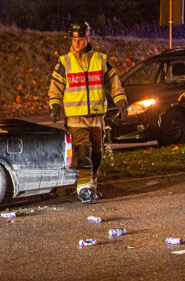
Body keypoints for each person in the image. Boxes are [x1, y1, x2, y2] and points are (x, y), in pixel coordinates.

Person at [48, 21, 128, 203]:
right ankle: (83, 188)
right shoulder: (64, 62)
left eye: (80, 39)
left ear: (87, 38)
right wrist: (55, 105)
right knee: (83, 151)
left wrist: (121, 101)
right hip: (76, 118)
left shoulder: (100, 60)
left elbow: (114, 83)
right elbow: (55, 87)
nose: (76, 42)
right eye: (74, 39)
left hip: (97, 117)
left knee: (97, 154)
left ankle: (92, 185)